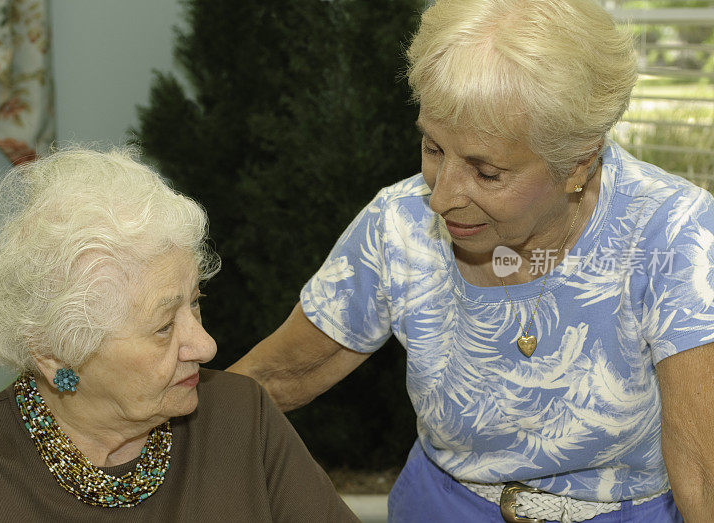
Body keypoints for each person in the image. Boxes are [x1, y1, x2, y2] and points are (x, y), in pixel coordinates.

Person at [228, 1, 714, 521]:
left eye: (486, 173)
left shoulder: (674, 233)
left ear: (578, 164)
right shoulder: (400, 222)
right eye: (433, 147)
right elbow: (279, 377)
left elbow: (702, 475)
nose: (440, 199)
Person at [0, 147, 358, 522]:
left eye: (195, 302)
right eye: (164, 327)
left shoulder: (241, 418)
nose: (206, 346)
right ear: (55, 353)